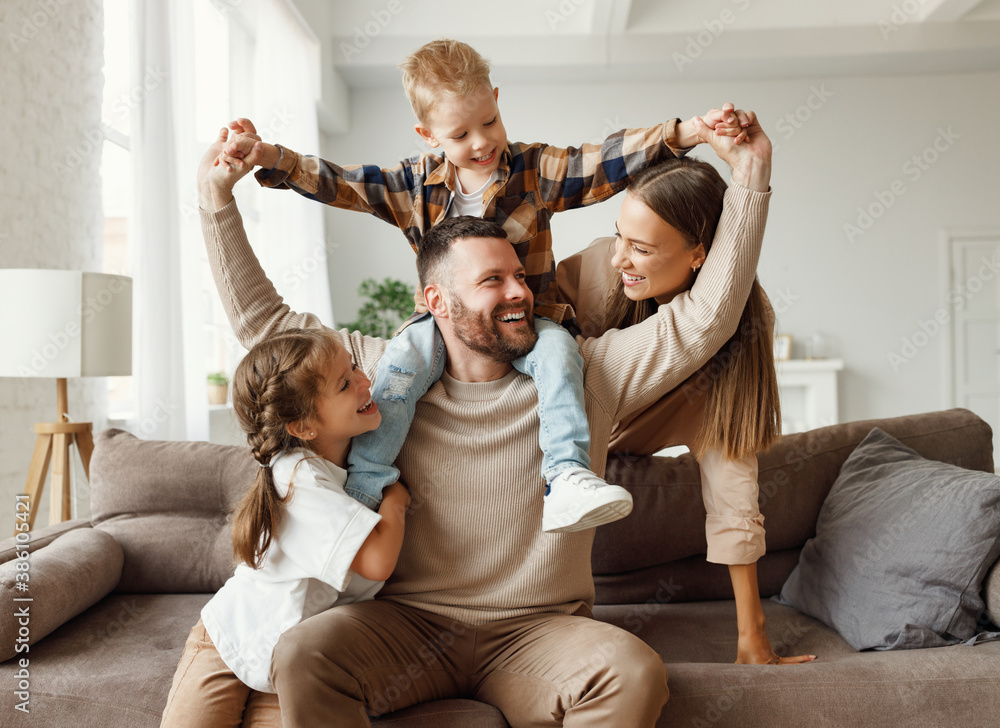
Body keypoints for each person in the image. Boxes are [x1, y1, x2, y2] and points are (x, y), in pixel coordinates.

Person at [197, 104, 770, 726]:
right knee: (305, 651)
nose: (520, 291)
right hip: (407, 622)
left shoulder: (587, 374)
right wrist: (216, 202)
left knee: (632, 673)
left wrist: (751, 173)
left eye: (519, 275)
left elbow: (707, 318)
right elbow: (265, 327)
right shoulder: (382, 381)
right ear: (436, 301)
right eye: (492, 280)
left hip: (538, 632)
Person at [215, 38, 750, 533]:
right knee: (398, 375)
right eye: (459, 135)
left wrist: (690, 132)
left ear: (496, 100)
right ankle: (367, 486)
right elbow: (339, 182)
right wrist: (268, 158)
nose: (481, 143)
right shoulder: (411, 184)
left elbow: (605, 159)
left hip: (534, 326)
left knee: (563, 363)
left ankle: (564, 473)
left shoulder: (533, 170)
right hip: (444, 330)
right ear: (428, 136)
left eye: (489, 122)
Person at [556, 152, 817, 666]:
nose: (619, 259)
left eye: (642, 248)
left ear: (699, 254)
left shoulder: (740, 324)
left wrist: (753, 633)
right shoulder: (595, 271)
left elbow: (731, 476)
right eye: (620, 237)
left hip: (642, 433)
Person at [159, 329, 411, 728]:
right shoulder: (298, 477)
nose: (367, 381)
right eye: (345, 384)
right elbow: (377, 562)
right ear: (303, 426)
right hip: (227, 641)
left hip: (286, 659)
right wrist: (397, 501)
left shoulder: (354, 469)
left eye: (356, 367)